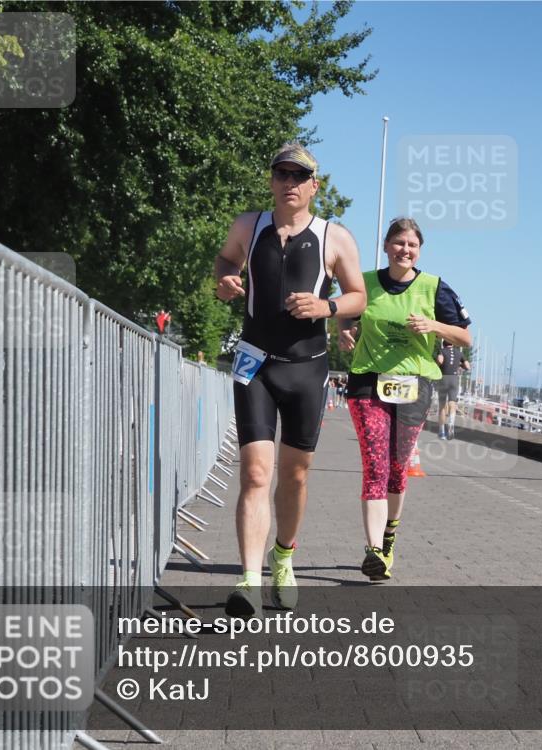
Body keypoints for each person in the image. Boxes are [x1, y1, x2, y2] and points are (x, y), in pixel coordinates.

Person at [214, 143, 366, 615]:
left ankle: (284, 555)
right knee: (256, 472)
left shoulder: (334, 237)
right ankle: (248, 580)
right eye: (282, 174)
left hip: (307, 368)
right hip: (254, 362)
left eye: (299, 176)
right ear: (271, 180)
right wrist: (224, 281)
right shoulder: (248, 225)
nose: (289, 183)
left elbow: (359, 295)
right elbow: (224, 263)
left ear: (313, 186)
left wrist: (328, 307)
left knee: (294, 475)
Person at [339, 217, 471, 581]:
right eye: (398, 243)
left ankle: (389, 536)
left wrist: (435, 327)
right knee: (376, 466)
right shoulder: (364, 283)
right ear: (385, 246)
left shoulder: (434, 288)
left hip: (414, 386)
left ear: (419, 251)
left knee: (397, 469)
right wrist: (344, 332)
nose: (405, 250)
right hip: (368, 381)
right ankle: (374, 552)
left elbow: (465, 337)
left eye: (412, 245)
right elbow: (344, 314)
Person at [435, 339, 470, 440]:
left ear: (444, 344)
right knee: (452, 403)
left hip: (443, 378)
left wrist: (436, 366)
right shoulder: (459, 353)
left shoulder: (442, 351)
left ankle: (442, 432)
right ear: (452, 344)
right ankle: (451, 424)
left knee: (442, 405)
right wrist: (460, 365)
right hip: (454, 379)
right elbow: (468, 366)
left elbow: (440, 360)